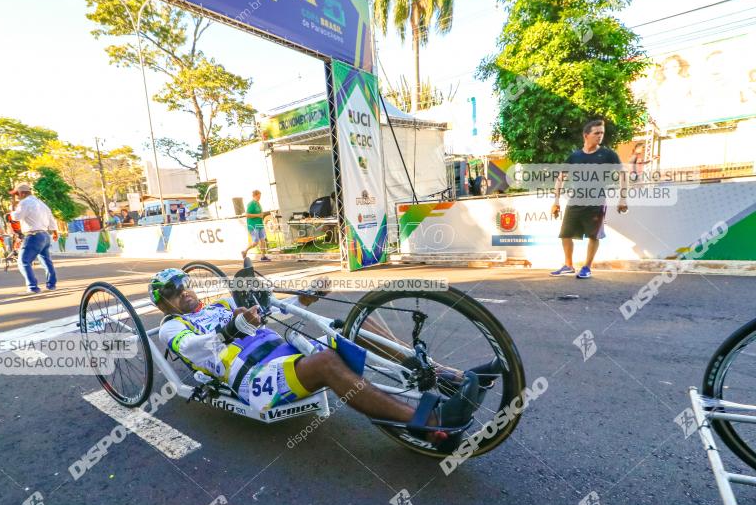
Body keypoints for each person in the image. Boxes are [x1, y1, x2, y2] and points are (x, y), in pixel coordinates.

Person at [151, 268, 479, 448]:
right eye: (173, 292)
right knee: (326, 364)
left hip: (285, 354)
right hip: (257, 380)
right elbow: (196, 348)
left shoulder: (221, 306)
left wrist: (306, 298)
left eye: (185, 284)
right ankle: (429, 426)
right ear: (162, 305)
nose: (184, 291)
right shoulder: (170, 328)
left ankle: (449, 378)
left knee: (353, 327)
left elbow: (268, 313)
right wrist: (233, 328)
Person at [550, 119, 628, 279]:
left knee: (594, 235)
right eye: (596, 133)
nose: (600, 136)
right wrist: (556, 201)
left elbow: (623, 174)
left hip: (596, 200)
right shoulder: (574, 156)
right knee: (565, 233)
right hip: (575, 200)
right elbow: (560, 178)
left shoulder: (608, 154)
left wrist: (623, 198)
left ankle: (587, 267)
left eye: (602, 133)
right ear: (586, 135)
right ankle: (568, 265)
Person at [10, 182, 58, 294]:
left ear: (22, 193)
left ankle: (32, 287)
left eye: (17, 194)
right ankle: (51, 285)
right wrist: (55, 232)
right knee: (46, 261)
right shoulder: (41, 203)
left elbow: (17, 217)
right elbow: (51, 218)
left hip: (33, 235)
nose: (16, 197)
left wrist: (13, 209)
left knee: (23, 261)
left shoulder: (25, 203)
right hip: (45, 235)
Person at [241, 190, 270, 261]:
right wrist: (258, 215)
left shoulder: (258, 203)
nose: (259, 198)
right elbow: (247, 215)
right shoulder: (251, 204)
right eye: (258, 196)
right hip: (253, 226)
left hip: (260, 224)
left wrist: (261, 216)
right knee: (255, 243)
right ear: (255, 196)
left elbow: (260, 213)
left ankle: (263, 256)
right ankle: (245, 251)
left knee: (263, 240)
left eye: (260, 196)